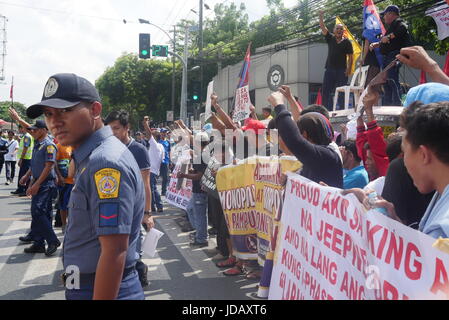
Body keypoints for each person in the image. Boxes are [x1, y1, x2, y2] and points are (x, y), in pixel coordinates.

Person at [25, 73, 145, 300]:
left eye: (65, 111)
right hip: (83, 284)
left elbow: (114, 250)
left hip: (101, 289)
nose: (54, 122)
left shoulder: (105, 163)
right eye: (49, 114)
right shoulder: (88, 157)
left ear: (95, 110)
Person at [105, 110, 154, 288]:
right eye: (109, 129)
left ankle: (137, 275)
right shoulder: (106, 147)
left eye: (116, 128)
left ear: (127, 128)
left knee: (132, 249)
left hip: (133, 208)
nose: (112, 133)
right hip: (110, 206)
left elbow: (146, 183)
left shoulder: (138, 149)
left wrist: (147, 213)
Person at [269, 91, 343, 188]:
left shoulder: (326, 156)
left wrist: (279, 106)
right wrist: (291, 179)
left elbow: (294, 141)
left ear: (304, 134)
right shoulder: (314, 157)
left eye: (297, 131)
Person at [16, 120, 60, 256]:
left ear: (43, 130)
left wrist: (36, 184)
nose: (33, 132)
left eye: (35, 130)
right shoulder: (37, 144)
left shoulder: (49, 145)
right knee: (42, 213)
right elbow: (35, 164)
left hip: (46, 183)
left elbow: (48, 166)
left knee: (38, 211)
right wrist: (27, 176)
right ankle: (39, 243)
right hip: (38, 182)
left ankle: (53, 240)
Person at [370, 5, 411, 106]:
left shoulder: (398, 22)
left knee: (391, 79)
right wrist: (378, 43)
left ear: (391, 14)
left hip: (394, 55)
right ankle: (387, 104)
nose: (383, 17)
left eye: (385, 15)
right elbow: (387, 40)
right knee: (386, 81)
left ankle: (397, 104)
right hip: (388, 56)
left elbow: (403, 28)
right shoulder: (392, 27)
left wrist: (388, 36)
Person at [178, 132, 210, 248]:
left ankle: (201, 237)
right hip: (199, 189)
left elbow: (199, 176)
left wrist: (184, 176)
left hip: (200, 190)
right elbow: (198, 173)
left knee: (200, 214)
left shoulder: (202, 156)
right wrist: (189, 172)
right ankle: (201, 233)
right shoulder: (203, 155)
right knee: (191, 209)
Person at [319, 10, 354, 111]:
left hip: (341, 71)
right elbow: (322, 27)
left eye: (341, 29)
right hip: (329, 69)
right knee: (325, 91)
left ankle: (342, 110)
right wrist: (321, 16)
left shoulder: (347, 42)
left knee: (341, 91)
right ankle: (325, 111)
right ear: (334, 30)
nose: (339, 30)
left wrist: (348, 69)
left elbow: (350, 57)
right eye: (337, 28)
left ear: (343, 31)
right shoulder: (330, 38)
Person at [143, 117, 164, 213]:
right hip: (155, 170)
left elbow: (148, 134)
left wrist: (145, 124)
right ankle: (158, 205)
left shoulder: (155, 145)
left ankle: (152, 207)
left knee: (151, 189)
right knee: (153, 188)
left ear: (154, 137)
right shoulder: (161, 146)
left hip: (151, 170)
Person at [54, 142, 75, 234]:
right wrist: (59, 176)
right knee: (63, 204)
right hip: (64, 181)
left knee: (73, 205)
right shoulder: (59, 146)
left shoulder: (77, 145)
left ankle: (72, 224)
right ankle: (64, 225)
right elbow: (54, 162)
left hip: (75, 181)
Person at [11, 125, 34, 196]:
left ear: (23, 128)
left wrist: (21, 158)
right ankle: (20, 188)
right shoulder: (26, 136)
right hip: (26, 158)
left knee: (26, 175)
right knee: (22, 174)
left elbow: (25, 148)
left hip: (26, 158)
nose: (19, 130)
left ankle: (25, 190)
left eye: (20, 128)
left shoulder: (27, 136)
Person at [158, 128, 171, 196]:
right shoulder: (158, 142)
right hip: (159, 162)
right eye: (163, 132)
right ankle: (153, 191)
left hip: (166, 161)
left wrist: (170, 161)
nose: (164, 134)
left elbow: (169, 152)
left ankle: (164, 191)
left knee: (165, 177)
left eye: (165, 132)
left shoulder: (168, 142)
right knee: (156, 176)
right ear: (160, 133)